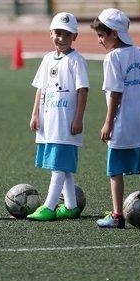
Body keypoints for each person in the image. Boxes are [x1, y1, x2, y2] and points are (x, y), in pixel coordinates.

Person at [92, 8, 140, 229]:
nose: (99, 41)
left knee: (115, 171)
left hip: (123, 123)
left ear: (114, 34)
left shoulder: (112, 58)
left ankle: (117, 216)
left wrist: (108, 121)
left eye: (101, 35)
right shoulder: (139, 52)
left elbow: (116, 93)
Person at [26, 12, 90, 221]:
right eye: (58, 33)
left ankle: (49, 206)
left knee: (59, 165)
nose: (61, 38)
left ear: (74, 37)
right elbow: (40, 89)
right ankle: (70, 205)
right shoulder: (46, 59)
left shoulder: (76, 60)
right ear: (50, 33)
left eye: (66, 34)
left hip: (66, 121)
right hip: (49, 121)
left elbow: (83, 90)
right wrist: (35, 114)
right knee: (63, 167)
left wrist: (78, 118)